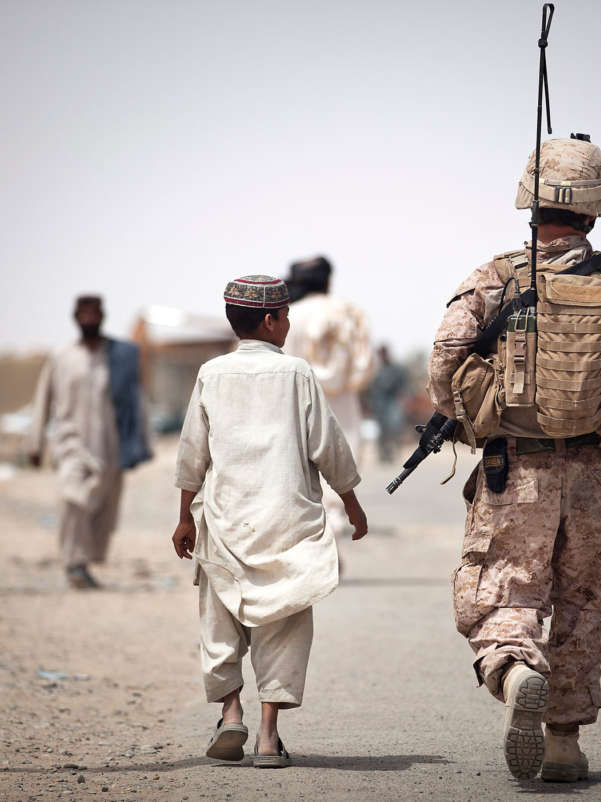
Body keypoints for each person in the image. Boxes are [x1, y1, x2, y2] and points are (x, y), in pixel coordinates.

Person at [427, 136, 601, 782]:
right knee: (585, 602)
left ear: (530, 206)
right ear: (596, 211)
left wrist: (478, 406)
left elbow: (443, 364)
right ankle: (564, 743)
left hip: (518, 472)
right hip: (597, 474)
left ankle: (515, 674)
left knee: (505, 589)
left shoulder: (494, 279)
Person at [172, 274, 368, 769]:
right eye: (284, 317)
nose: (288, 325)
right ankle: (266, 736)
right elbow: (328, 446)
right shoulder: (297, 374)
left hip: (224, 519)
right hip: (287, 522)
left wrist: (183, 518)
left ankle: (231, 711)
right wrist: (352, 503)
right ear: (270, 320)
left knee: (219, 621)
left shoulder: (211, 374)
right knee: (283, 622)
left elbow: (193, 452)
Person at [27, 295, 152, 589]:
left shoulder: (119, 357)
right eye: (83, 315)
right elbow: (42, 399)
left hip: (110, 446)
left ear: (101, 317)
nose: (89, 320)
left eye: (93, 314)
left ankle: (84, 562)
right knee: (72, 501)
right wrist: (35, 444)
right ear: (75, 318)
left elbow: (136, 401)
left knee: (100, 510)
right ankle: (73, 564)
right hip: (71, 444)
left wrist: (142, 443)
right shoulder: (61, 357)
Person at [283, 256, 375, 538]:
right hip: (342, 403)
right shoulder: (349, 312)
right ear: (328, 281)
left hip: (298, 399)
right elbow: (366, 363)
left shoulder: (289, 314)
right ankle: (331, 523)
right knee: (341, 464)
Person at [368, 344, 408, 462]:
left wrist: (404, 399)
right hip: (379, 404)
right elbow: (371, 388)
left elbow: (403, 385)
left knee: (394, 426)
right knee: (382, 430)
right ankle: (383, 454)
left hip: (392, 402)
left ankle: (395, 450)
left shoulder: (396, 369)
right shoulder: (376, 370)